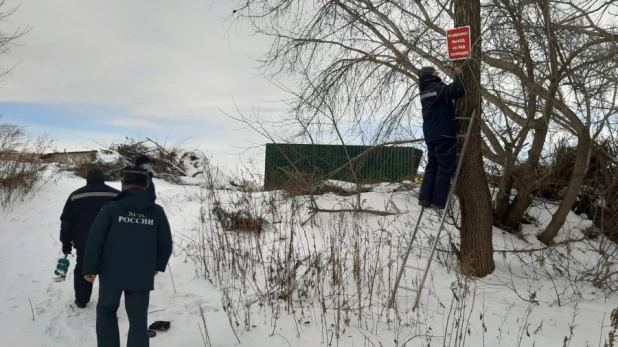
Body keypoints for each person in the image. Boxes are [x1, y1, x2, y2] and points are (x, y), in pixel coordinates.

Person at [82, 166, 173, 347]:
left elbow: (95, 240)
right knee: (139, 319)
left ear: (123, 183)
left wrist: (90, 269)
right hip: (141, 274)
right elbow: (165, 244)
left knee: (107, 311)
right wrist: (156, 266)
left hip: (111, 273)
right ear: (146, 186)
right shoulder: (156, 212)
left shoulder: (111, 209)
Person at [59, 168, 120, 308]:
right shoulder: (116, 195)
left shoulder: (75, 196)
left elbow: (67, 221)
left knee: (83, 268)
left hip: (84, 241)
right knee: (110, 269)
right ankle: (108, 301)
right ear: (103, 178)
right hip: (111, 241)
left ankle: (81, 300)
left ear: (87, 179)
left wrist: (66, 242)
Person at [417, 65, 465, 209]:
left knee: (432, 165)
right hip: (443, 133)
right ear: (430, 75)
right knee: (445, 167)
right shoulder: (434, 87)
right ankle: (438, 201)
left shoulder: (426, 88)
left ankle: (425, 198)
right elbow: (457, 91)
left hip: (431, 135)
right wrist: (459, 76)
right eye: (434, 71)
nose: (437, 73)